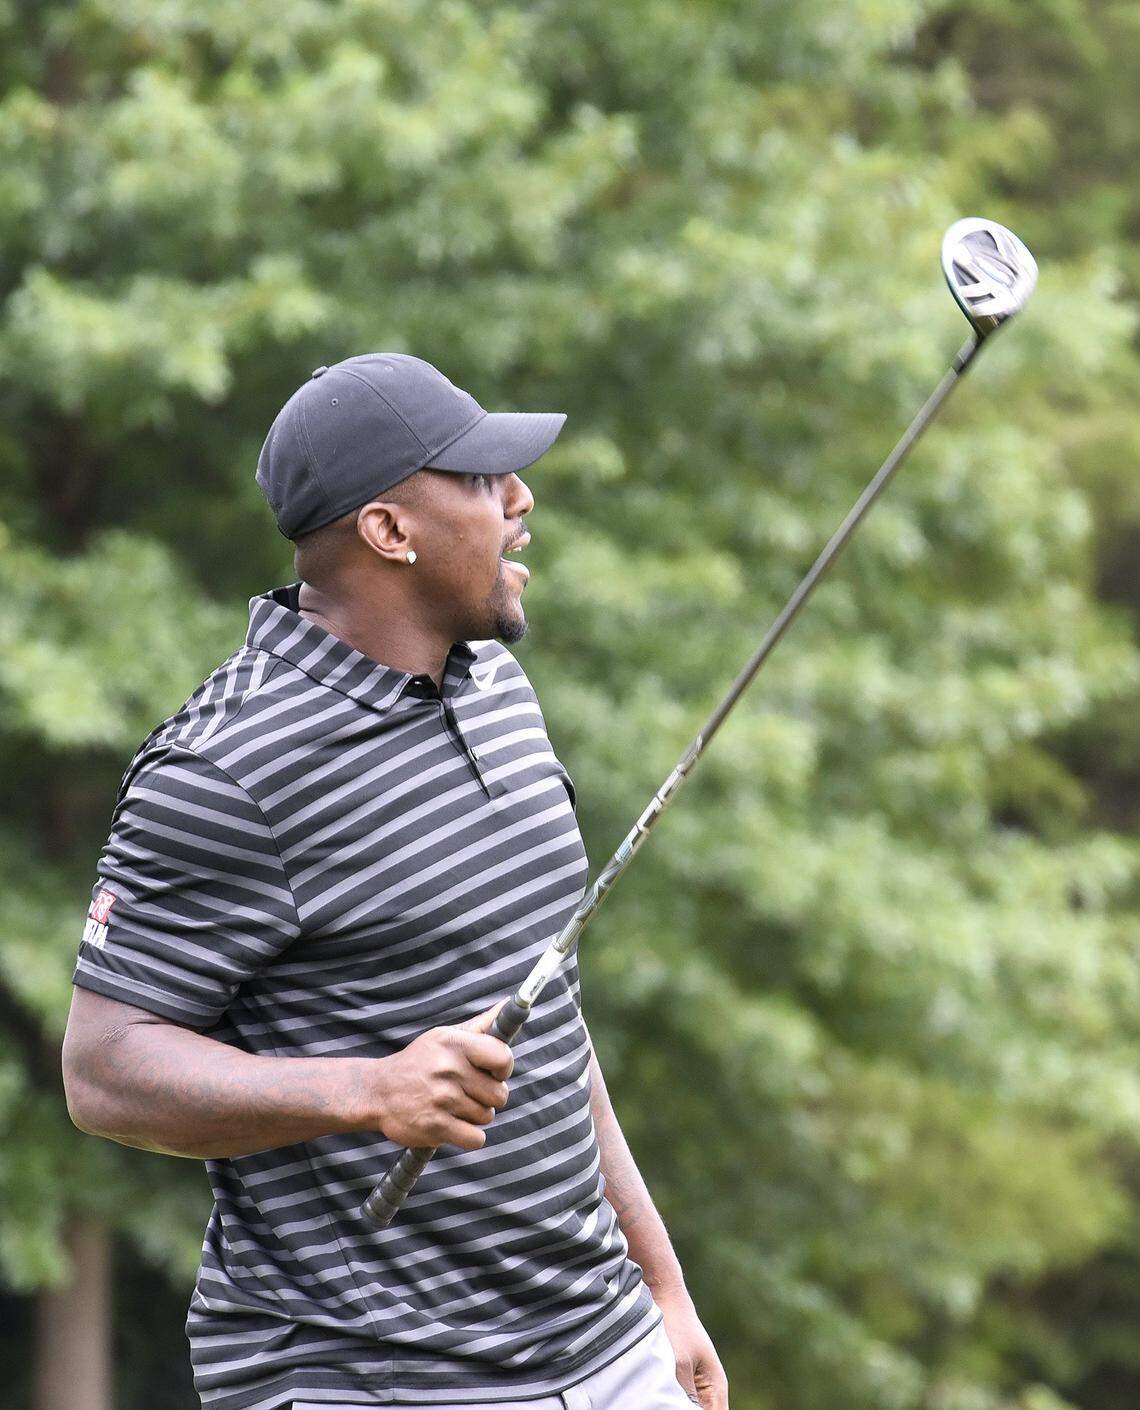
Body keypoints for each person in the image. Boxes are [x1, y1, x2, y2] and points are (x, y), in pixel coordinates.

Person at [62, 354, 729, 1410]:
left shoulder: (497, 688)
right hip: (370, 1376)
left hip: (604, 1348)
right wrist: (370, 1091)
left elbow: (543, 1012)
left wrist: (661, 1284)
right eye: (484, 481)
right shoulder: (225, 768)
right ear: (388, 530)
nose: (521, 501)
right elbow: (104, 1071)